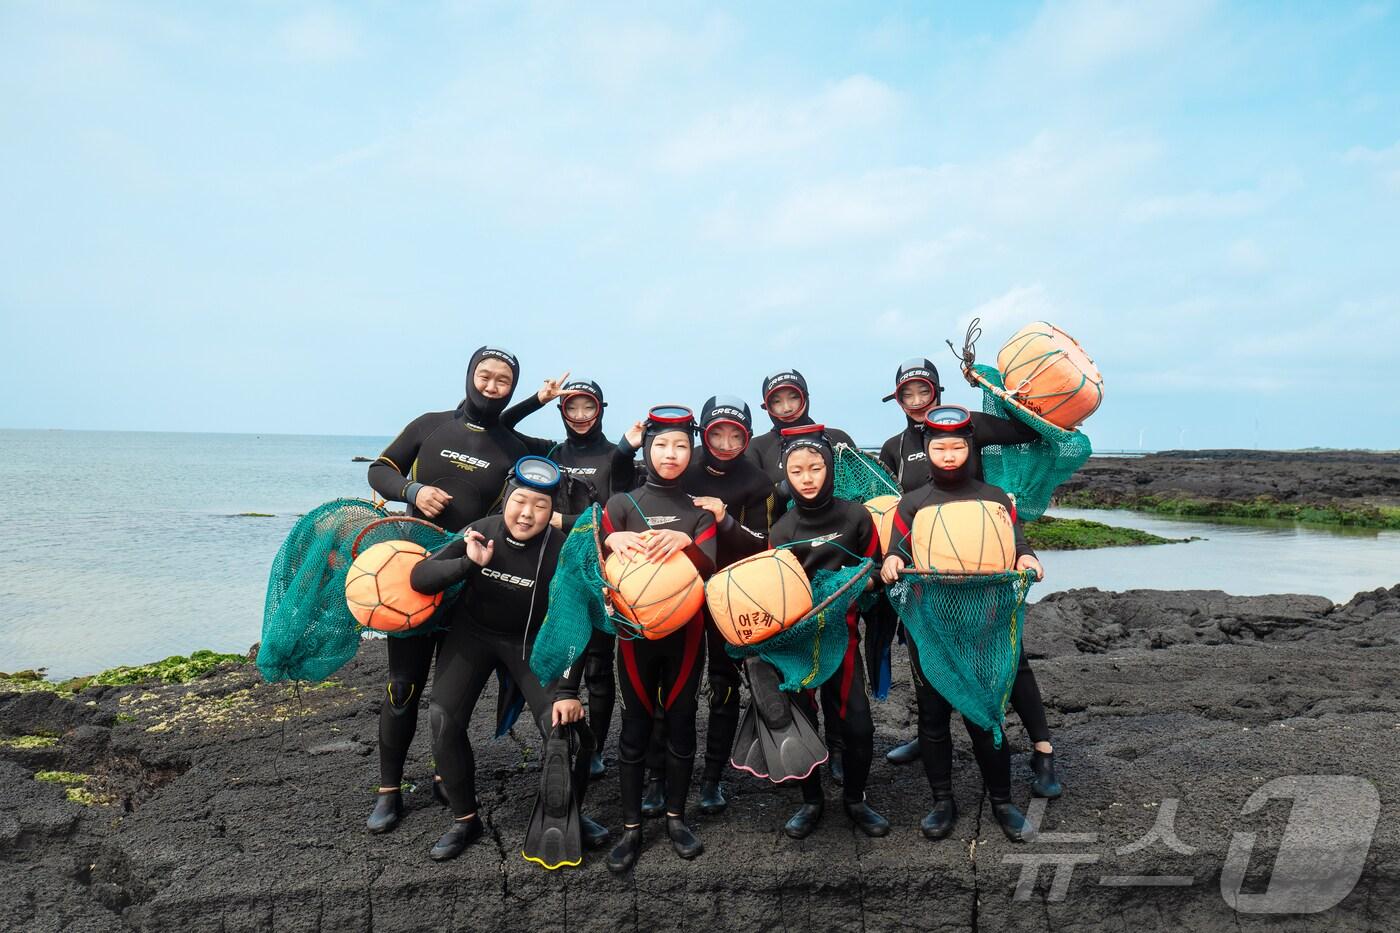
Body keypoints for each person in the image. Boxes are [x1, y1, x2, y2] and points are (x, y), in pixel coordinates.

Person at [363, 345, 539, 833]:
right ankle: (389, 790)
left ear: (512, 389)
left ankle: (446, 774)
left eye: (503, 380)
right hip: (418, 576)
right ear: (469, 376)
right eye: (485, 375)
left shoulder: (515, 446)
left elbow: (571, 462)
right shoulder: (430, 425)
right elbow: (379, 469)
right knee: (402, 686)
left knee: (448, 695)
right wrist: (412, 492)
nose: (491, 386)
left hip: (471, 580)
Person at [876, 359, 1063, 801]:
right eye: (909, 395)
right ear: (898, 400)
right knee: (931, 667)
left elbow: (1030, 431)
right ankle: (930, 738)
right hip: (928, 580)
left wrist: (995, 392)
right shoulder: (894, 447)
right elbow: (887, 505)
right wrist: (889, 559)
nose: (918, 402)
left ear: (939, 393)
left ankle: (1043, 750)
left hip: (985, 570)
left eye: (925, 392)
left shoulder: (973, 426)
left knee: (1009, 662)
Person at [409, 456, 608, 860]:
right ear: (507, 500)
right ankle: (465, 819)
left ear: (552, 511)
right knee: (443, 719)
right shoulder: (479, 532)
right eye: (521, 501)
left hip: (534, 643)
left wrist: (569, 690)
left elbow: (577, 623)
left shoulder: (564, 552)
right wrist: (468, 564)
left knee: (558, 724)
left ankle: (566, 811)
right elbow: (419, 577)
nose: (527, 513)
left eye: (540, 505)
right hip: (474, 636)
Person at [502, 378, 644, 778]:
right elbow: (502, 427)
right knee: (551, 656)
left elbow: (614, 514)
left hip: (595, 570)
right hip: (548, 566)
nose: (580, 416)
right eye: (572, 408)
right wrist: (538, 398)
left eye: (589, 408)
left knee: (597, 665)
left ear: (601, 409)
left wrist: (560, 519)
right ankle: (563, 737)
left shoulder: (616, 456)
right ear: (561, 412)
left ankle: (595, 747)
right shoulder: (549, 453)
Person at [600, 406, 717, 874]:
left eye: (681, 446)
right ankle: (632, 830)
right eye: (662, 445)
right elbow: (596, 569)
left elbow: (709, 568)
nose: (671, 454)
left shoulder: (698, 512)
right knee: (635, 727)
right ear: (647, 449)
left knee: (684, 721)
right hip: (634, 637)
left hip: (687, 636)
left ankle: (675, 818)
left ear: (692, 453)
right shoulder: (622, 505)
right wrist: (609, 543)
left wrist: (685, 544)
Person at [767, 424, 889, 839]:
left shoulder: (856, 516)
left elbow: (876, 569)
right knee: (801, 723)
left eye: (815, 468)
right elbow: (775, 588)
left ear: (829, 468)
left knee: (858, 726)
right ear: (787, 474)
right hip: (798, 643)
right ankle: (811, 801)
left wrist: (864, 582)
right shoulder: (781, 530)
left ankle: (855, 799)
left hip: (844, 638)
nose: (807, 477)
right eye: (797, 470)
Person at [743, 369, 858, 779]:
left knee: (841, 678)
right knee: (798, 676)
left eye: (793, 398)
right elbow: (755, 497)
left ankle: (842, 749)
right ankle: (809, 758)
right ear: (766, 407)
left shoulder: (837, 437)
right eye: (777, 401)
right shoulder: (757, 449)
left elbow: (860, 494)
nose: (787, 408)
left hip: (835, 567)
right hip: (782, 563)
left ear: (806, 397)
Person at [680, 395, 771, 815]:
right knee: (677, 684)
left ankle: (712, 778)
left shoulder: (755, 481)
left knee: (722, 682)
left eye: (737, 435)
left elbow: (759, 543)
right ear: (703, 431)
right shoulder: (682, 463)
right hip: (674, 590)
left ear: (747, 436)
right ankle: (665, 775)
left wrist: (724, 519)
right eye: (718, 432)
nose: (727, 442)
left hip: (726, 592)